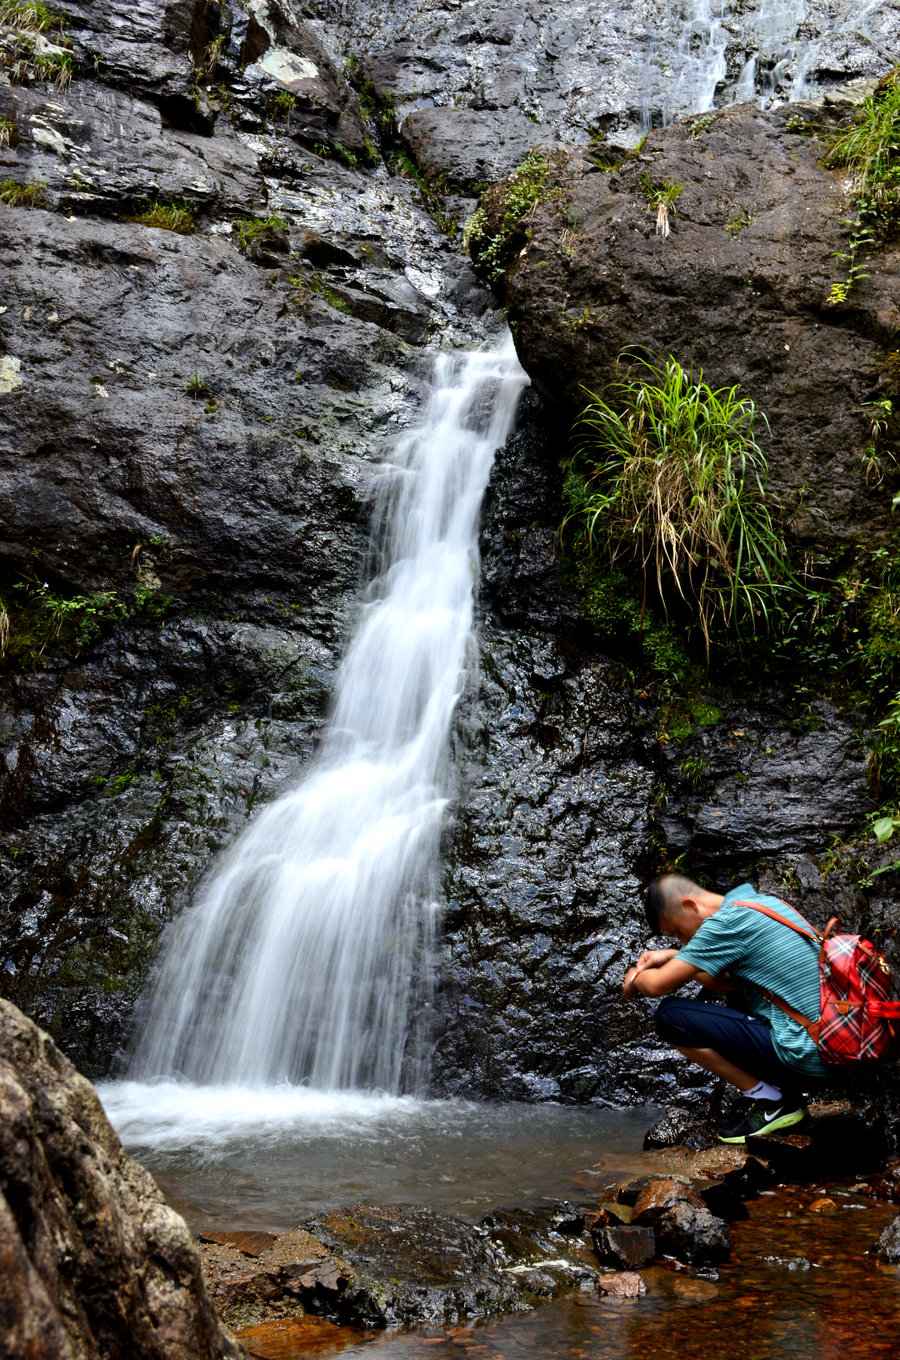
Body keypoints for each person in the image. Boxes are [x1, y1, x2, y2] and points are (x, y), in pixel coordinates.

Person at [623, 873, 828, 1143]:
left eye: (677, 931)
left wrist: (634, 977)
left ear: (690, 906)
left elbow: (657, 986)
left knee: (670, 1016)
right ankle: (782, 1094)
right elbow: (722, 983)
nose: (684, 941)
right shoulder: (761, 904)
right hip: (832, 1046)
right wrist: (675, 955)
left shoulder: (725, 924)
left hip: (807, 1055)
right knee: (737, 994)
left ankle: (772, 1102)